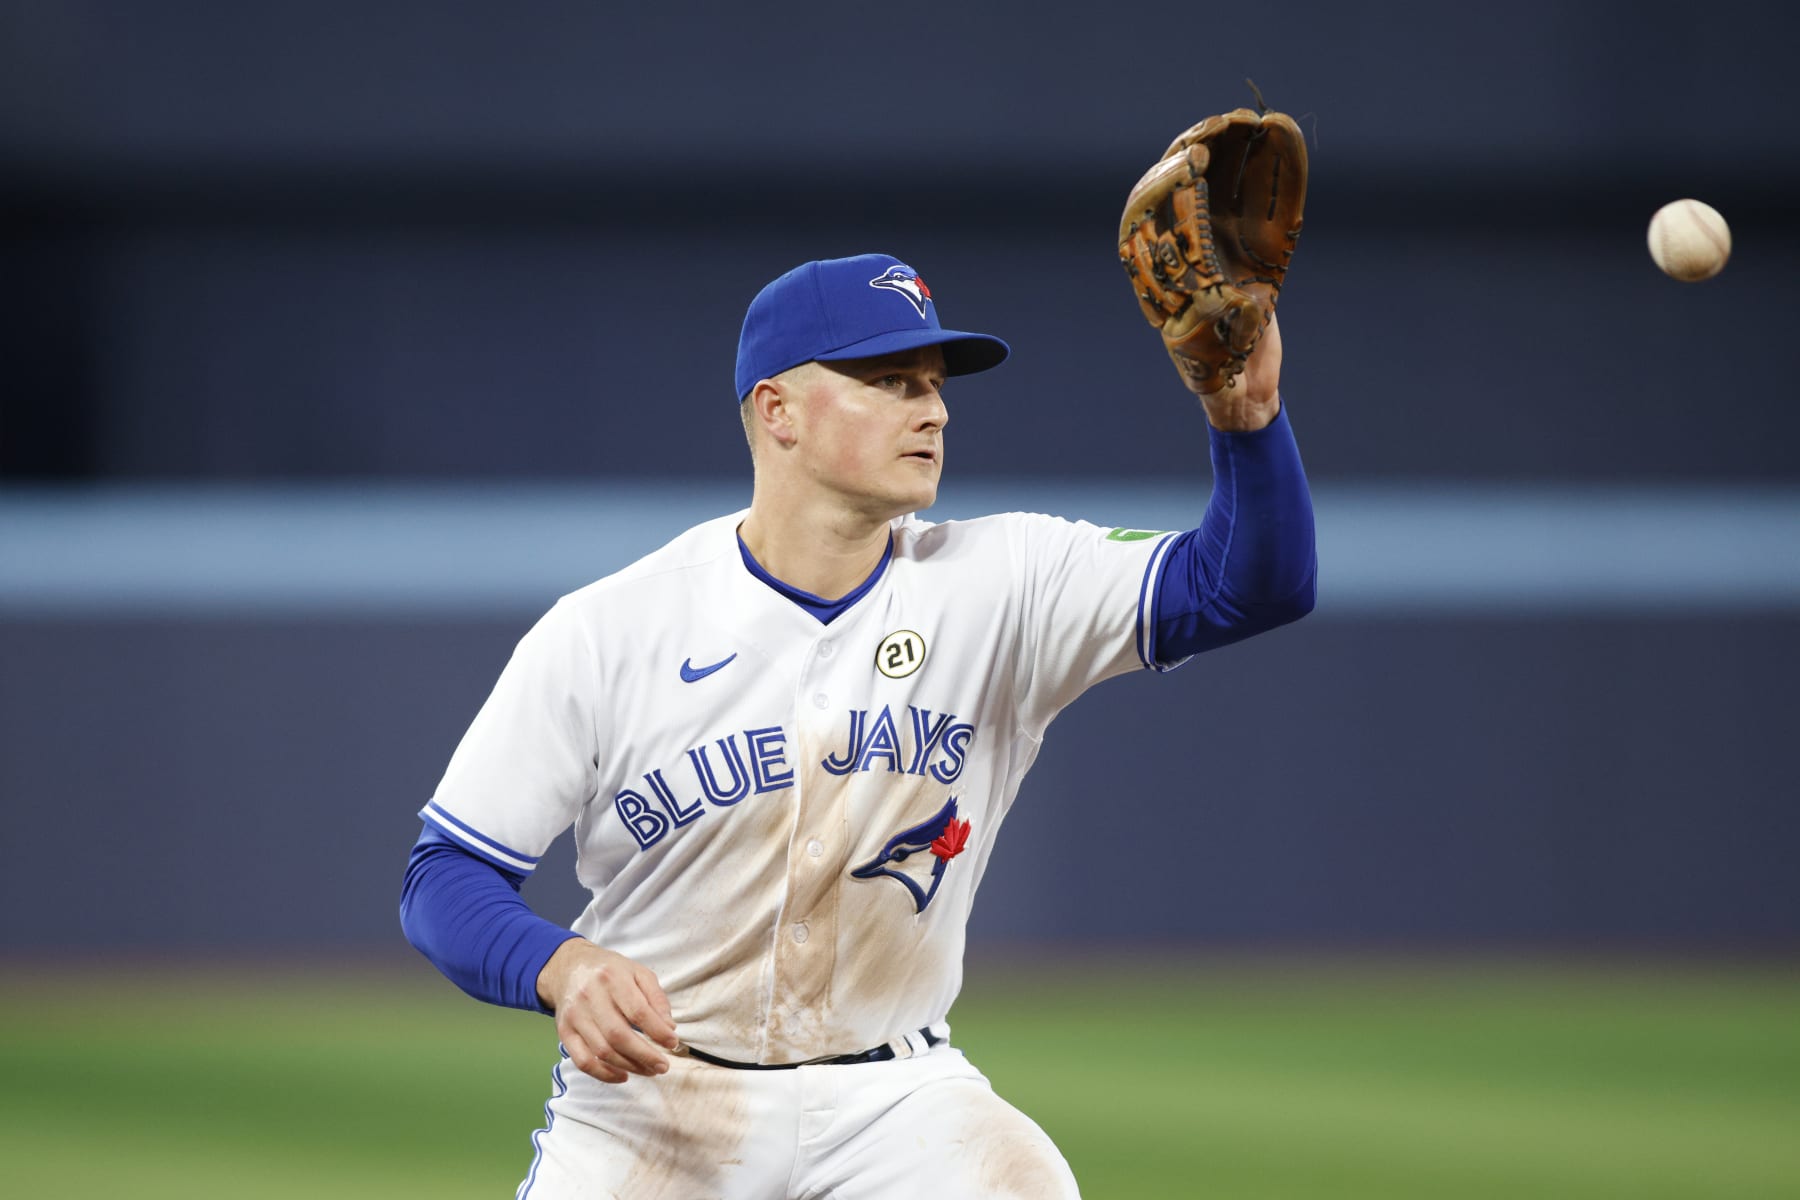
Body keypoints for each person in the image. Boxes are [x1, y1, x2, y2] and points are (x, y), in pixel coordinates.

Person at [400, 251, 1316, 1198]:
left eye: (934, 384)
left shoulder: (1006, 582)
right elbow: (445, 878)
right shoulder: (609, 631)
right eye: (889, 381)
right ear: (777, 412)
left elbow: (1253, 584)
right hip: (657, 1098)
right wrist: (560, 964)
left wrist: (1246, 421)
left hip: (898, 1103)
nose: (933, 409)